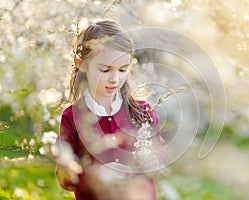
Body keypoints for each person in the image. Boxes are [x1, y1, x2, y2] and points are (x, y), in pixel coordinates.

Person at [55, 19, 166, 200]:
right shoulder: (73, 118)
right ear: (81, 63)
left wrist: (153, 160)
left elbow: (159, 150)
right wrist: (96, 176)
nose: (115, 79)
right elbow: (65, 175)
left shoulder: (141, 111)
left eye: (123, 70)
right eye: (105, 70)